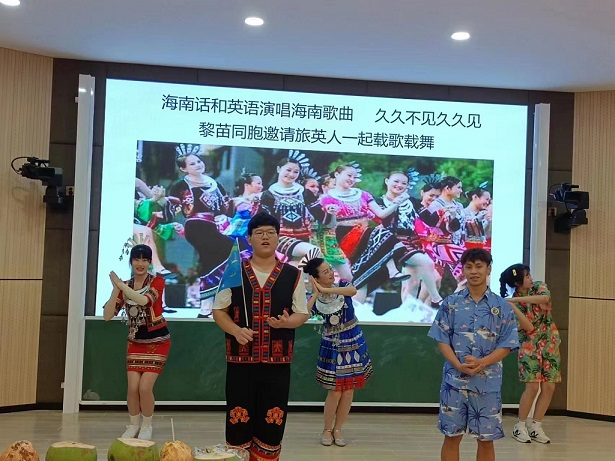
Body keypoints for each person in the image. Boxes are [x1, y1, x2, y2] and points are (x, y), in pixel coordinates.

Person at [212, 212, 309, 461]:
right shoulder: (234, 271)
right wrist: (236, 330)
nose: (265, 237)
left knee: (272, 423)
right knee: (238, 421)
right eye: (259, 233)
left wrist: (288, 322)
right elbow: (219, 311)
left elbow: (302, 313)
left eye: (270, 232)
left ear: (278, 238)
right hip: (240, 363)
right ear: (250, 238)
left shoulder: (293, 274)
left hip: (277, 363)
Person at [428, 248, 519, 461]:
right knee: (451, 437)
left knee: (486, 440)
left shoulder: (502, 306)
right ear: (463, 270)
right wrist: (458, 365)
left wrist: (482, 362)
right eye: (469, 267)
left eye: (479, 266)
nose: (474, 271)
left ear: (489, 269)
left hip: (488, 384)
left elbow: (507, 344)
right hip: (454, 382)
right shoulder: (451, 303)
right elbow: (442, 339)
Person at [302, 257, 373, 447]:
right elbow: (305, 315)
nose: (330, 273)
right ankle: (327, 429)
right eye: (325, 272)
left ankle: (338, 428)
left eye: (330, 269)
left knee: (348, 391)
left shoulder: (342, 285)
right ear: (316, 277)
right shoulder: (316, 299)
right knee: (335, 391)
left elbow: (353, 291)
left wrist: (327, 290)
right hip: (332, 345)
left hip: (353, 340)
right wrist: (316, 293)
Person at [103, 244, 171, 441]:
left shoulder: (157, 281)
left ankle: (147, 426)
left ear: (149, 262)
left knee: (144, 388)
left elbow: (144, 301)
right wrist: (116, 290)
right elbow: (107, 316)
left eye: (144, 260)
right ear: (131, 261)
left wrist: (121, 286)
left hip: (158, 341)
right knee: (132, 388)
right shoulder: (124, 286)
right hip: (135, 342)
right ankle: (133, 425)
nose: (140, 264)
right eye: (136, 259)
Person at [500, 264, 561, 444]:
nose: (530, 278)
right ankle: (520, 426)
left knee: (549, 387)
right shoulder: (512, 304)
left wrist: (515, 300)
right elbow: (528, 327)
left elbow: (545, 298)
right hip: (529, 346)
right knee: (533, 387)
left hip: (550, 342)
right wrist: (513, 305)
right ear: (517, 282)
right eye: (526, 276)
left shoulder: (539, 287)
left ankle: (536, 425)